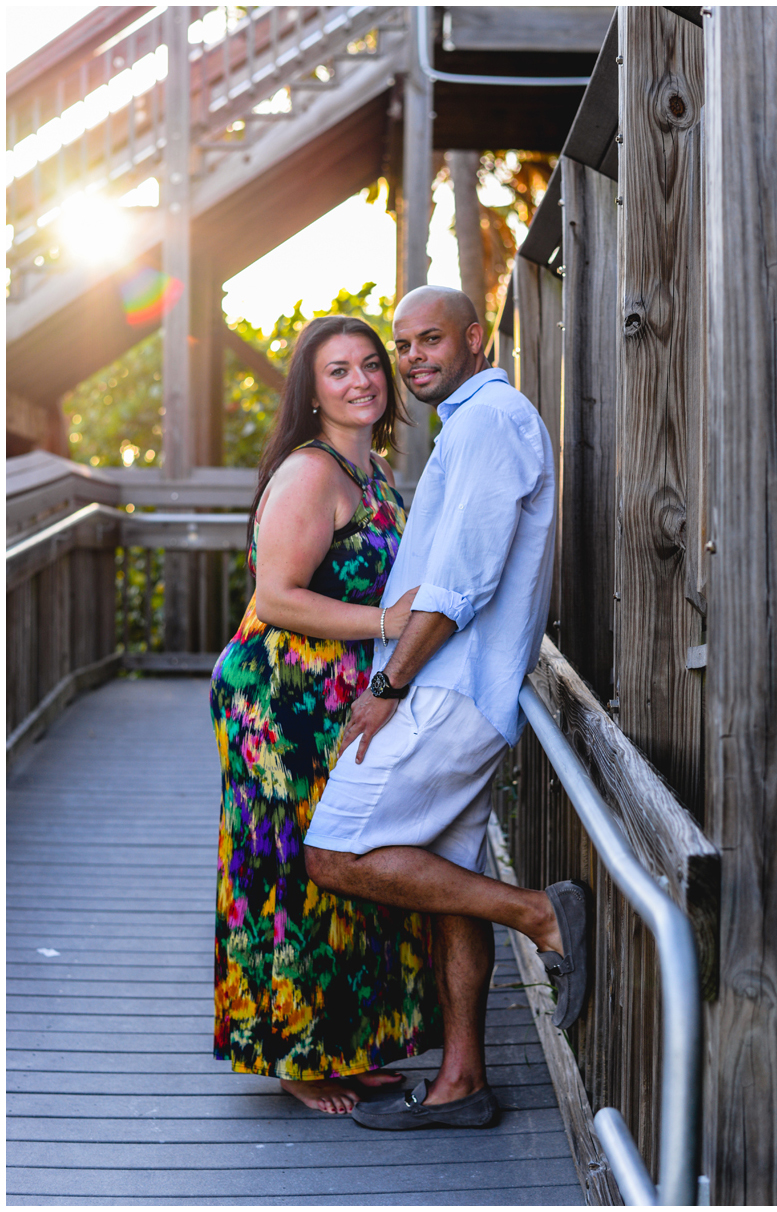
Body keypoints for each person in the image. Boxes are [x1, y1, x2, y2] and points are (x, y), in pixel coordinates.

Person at [300, 285, 585, 1132]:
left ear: (473, 340)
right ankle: (462, 1081)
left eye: (431, 340)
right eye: (405, 344)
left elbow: (461, 582)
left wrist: (387, 689)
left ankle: (541, 914)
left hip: (447, 690)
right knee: (447, 881)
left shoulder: (492, 421)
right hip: (463, 690)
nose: (414, 357)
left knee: (334, 853)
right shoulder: (470, 425)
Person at [213, 314, 436, 1115]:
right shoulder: (311, 473)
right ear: (311, 391)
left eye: (371, 365)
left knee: (346, 852)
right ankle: (295, 1054)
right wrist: (390, 624)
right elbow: (276, 597)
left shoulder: (372, 469)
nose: (363, 381)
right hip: (279, 699)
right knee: (293, 864)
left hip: (335, 692)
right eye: (338, 370)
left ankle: (347, 1040)